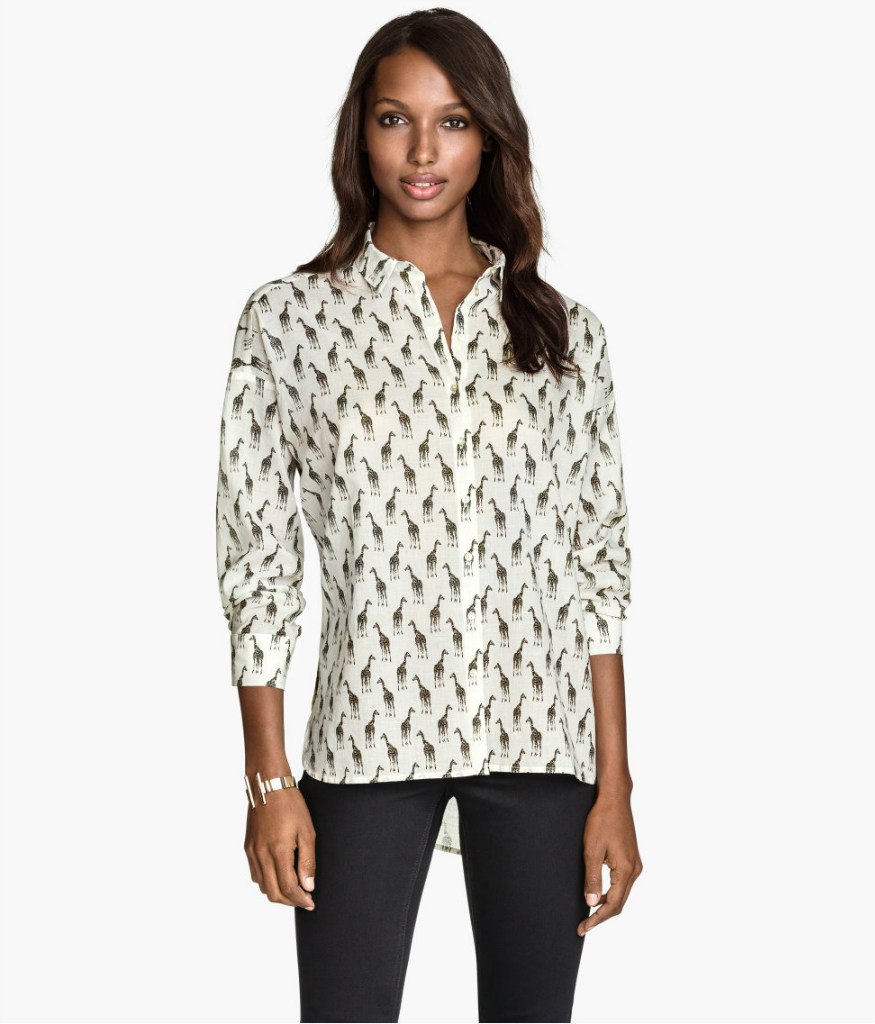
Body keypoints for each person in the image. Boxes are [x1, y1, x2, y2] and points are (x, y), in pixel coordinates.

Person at [215, 8, 643, 1022]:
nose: (421, 151)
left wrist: (614, 788)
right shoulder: (288, 321)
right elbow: (259, 563)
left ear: (487, 138)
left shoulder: (563, 333)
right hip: (364, 742)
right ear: (358, 135)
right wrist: (268, 780)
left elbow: (596, 574)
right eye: (393, 119)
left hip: (539, 747)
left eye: (451, 122)